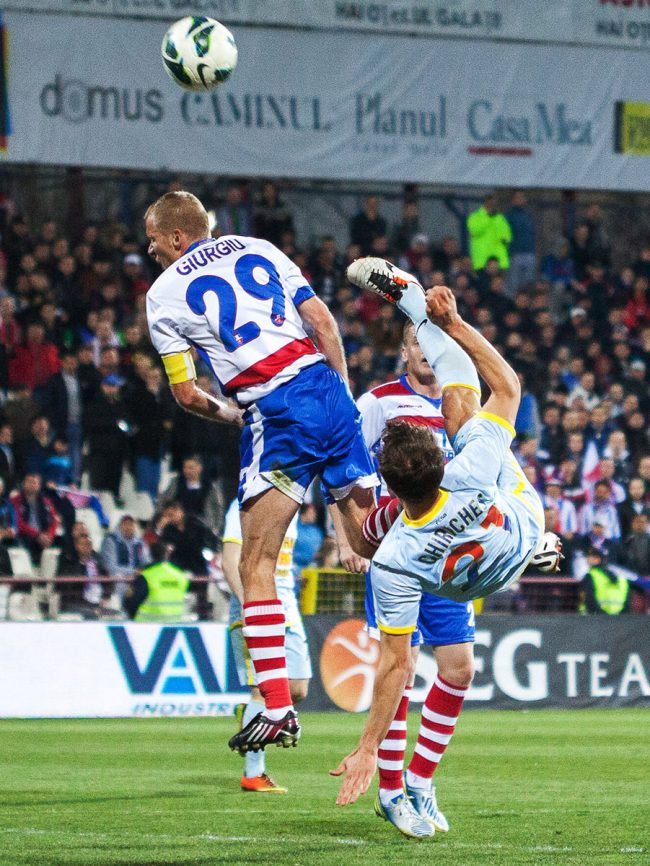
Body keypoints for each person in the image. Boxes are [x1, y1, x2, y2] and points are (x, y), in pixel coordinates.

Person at [144, 191, 378, 753]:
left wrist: (235, 416)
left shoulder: (161, 296)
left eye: (154, 240)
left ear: (178, 238)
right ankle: (488, 538)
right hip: (327, 390)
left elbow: (186, 393)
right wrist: (342, 395)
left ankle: (278, 707)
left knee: (256, 562)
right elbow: (321, 320)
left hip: (276, 409)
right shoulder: (259, 247)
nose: (150, 250)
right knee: (378, 540)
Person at [333, 257, 558, 818]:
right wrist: (453, 324)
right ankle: (394, 792)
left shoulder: (394, 546)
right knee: (467, 418)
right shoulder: (465, 464)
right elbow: (507, 386)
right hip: (511, 533)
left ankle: (414, 783)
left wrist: (341, 503)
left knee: (434, 666)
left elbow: (366, 533)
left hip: (441, 563)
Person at [332, 318, 472, 837]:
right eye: (418, 343)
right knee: (403, 667)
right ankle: (390, 790)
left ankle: (420, 782)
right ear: (404, 350)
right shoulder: (379, 402)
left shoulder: (461, 402)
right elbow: (340, 465)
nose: (428, 353)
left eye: (435, 344)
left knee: (458, 670)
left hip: (449, 555)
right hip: (396, 555)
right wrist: (348, 539)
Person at [222, 498, 311, 793]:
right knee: (262, 691)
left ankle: (248, 716)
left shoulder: (290, 504)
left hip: (286, 604)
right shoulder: (246, 503)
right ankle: (253, 773)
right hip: (257, 607)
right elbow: (230, 560)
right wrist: (250, 606)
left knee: (297, 688)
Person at [123, 541, 189, 622]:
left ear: (150, 555)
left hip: (148, 624)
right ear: (166, 554)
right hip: (175, 622)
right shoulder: (180, 575)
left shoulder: (146, 576)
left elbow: (130, 602)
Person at [579, 546, 634, 614]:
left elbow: (589, 600)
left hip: (595, 620)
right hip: (619, 620)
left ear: (597, 560)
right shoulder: (621, 578)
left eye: (590, 556)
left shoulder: (591, 576)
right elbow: (627, 604)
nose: (587, 559)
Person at [466, 193, 512, 272]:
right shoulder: (475, 217)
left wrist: (504, 241)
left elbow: (507, 236)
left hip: (499, 261)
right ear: (486, 202)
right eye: (491, 202)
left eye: (494, 203)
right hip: (482, 261)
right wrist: (488, 217)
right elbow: (474, 231)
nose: (493, 205)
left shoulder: (500, 218)